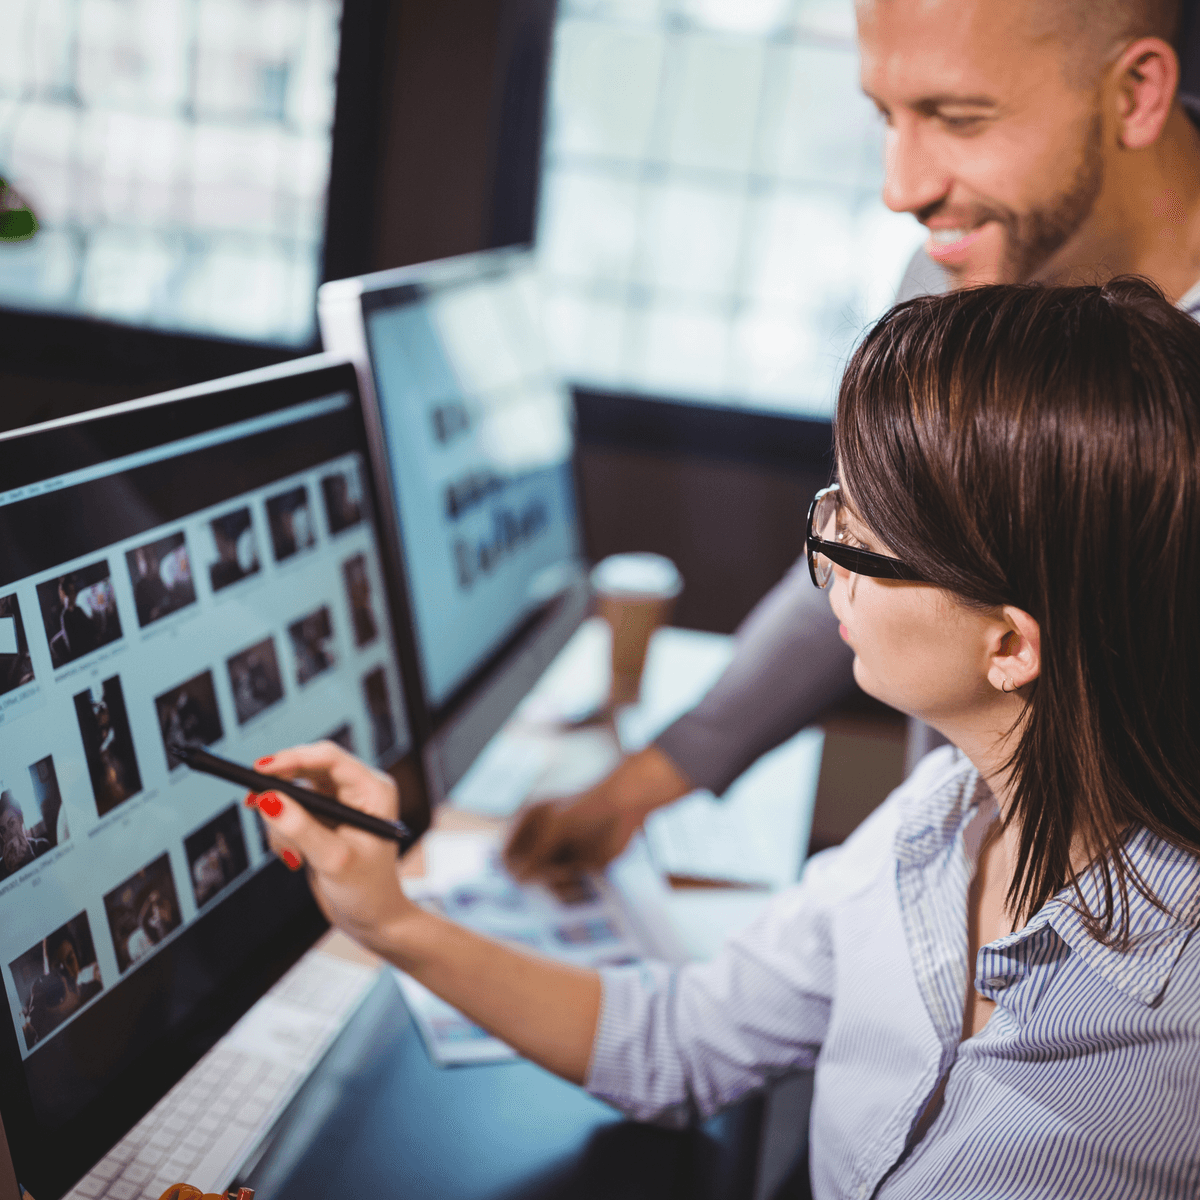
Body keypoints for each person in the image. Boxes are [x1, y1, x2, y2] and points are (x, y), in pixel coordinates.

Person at [252, 280, 1200, 1197]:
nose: (822, 556)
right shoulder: (934, 824)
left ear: (1008, 644)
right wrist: (389, 920)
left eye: (864, 537)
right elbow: (683, 1045)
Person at [503, 0, 1200, 883]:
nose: (901, 189)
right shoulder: (960, 266)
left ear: (1136, 93)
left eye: (958, 118)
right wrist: (646, 782)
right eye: (887, 115)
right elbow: (878, 557)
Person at [0, 789, 48, 879]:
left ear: (21, 819)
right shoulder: (1, 869)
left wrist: (31, 860)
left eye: (11, 823)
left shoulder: (42, 846)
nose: (9, 834)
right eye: (3, 830)